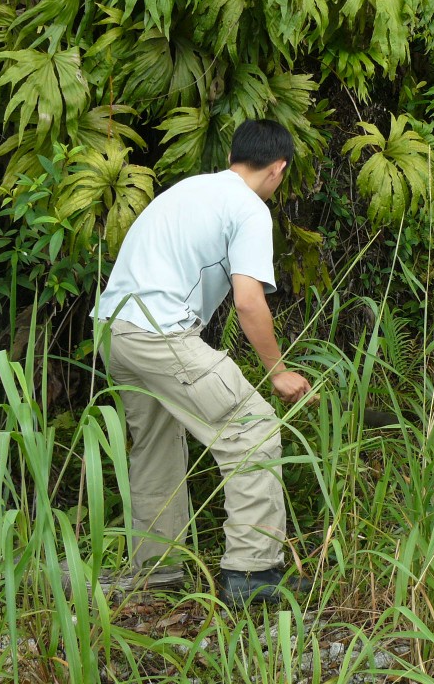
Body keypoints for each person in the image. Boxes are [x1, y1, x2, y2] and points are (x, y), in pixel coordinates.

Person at [94, 119, 315, 606]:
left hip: (114, 331)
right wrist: (278, 372)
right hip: (160, 332)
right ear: (278, 168)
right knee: (252, 428)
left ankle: (158, 572)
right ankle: (252, 575)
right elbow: (249, 302)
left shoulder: (189, 189)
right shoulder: (250, 210)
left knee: (154, 448)